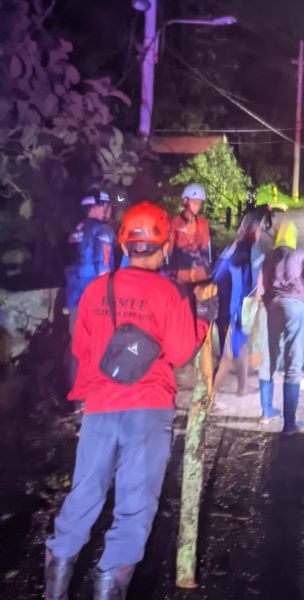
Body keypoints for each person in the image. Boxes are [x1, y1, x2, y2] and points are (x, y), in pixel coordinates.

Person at [45, 201, 214, 600]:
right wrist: (203, 317)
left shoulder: (94, 290)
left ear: (124, 244)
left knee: (85, 492)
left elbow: (82, 349)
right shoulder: (170, 294)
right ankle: (109, 586)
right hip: (148, 408)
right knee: (135, 505)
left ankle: (55, 583)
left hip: (101, 406)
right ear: (164, 244)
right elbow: (179, 351)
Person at [258, 222, 304, 433]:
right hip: (295, 307)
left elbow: (261, 288)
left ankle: (266, 411)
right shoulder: (303, 253)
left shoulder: (268, 257)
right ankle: (289, 424)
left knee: (269, 362)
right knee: (293, 366)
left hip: (273, 308)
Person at [212, 209, 267, 395]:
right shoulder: (252, 252)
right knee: (227, 358)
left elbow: (216, 275)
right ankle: (206, 399)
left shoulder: (231, 248)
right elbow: (257, 287)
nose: (260, 233)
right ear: (253, 231)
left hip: (227, 309)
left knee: (242, 348)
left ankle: (243, 388)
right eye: (259, 229)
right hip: (234, 313)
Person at [64, 191, 116, 384]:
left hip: (74, 298)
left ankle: (77, 398)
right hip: (95, 298)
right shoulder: (103, 231)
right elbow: (103, 268)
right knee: (99, 345)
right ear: (96, 206)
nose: (108, 210)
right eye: (105, 205)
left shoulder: (75, 231)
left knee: (76, 347)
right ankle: (96, 393)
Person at [169, 183, 213, 284]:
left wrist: (207, 271)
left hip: (199, 273)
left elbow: (206, 250)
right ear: (185, 201)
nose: (197, 206)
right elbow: (169, 250)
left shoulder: (203, 223)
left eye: (199, 203)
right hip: (180, 273)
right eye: (194, 203)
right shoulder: (175, 223)